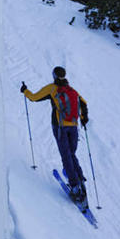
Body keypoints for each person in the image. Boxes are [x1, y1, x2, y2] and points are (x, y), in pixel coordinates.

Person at [20, 66, 89, 205]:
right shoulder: (72, 90)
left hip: (60, 127)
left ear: (54, 76)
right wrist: (83, 118)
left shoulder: (52, 89)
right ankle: (80, 179)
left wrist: (25, 91)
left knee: (66, 155)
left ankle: (75, 187)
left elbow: (34, 98)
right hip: (74, 127)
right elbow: (84, 103)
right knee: (72, 153)